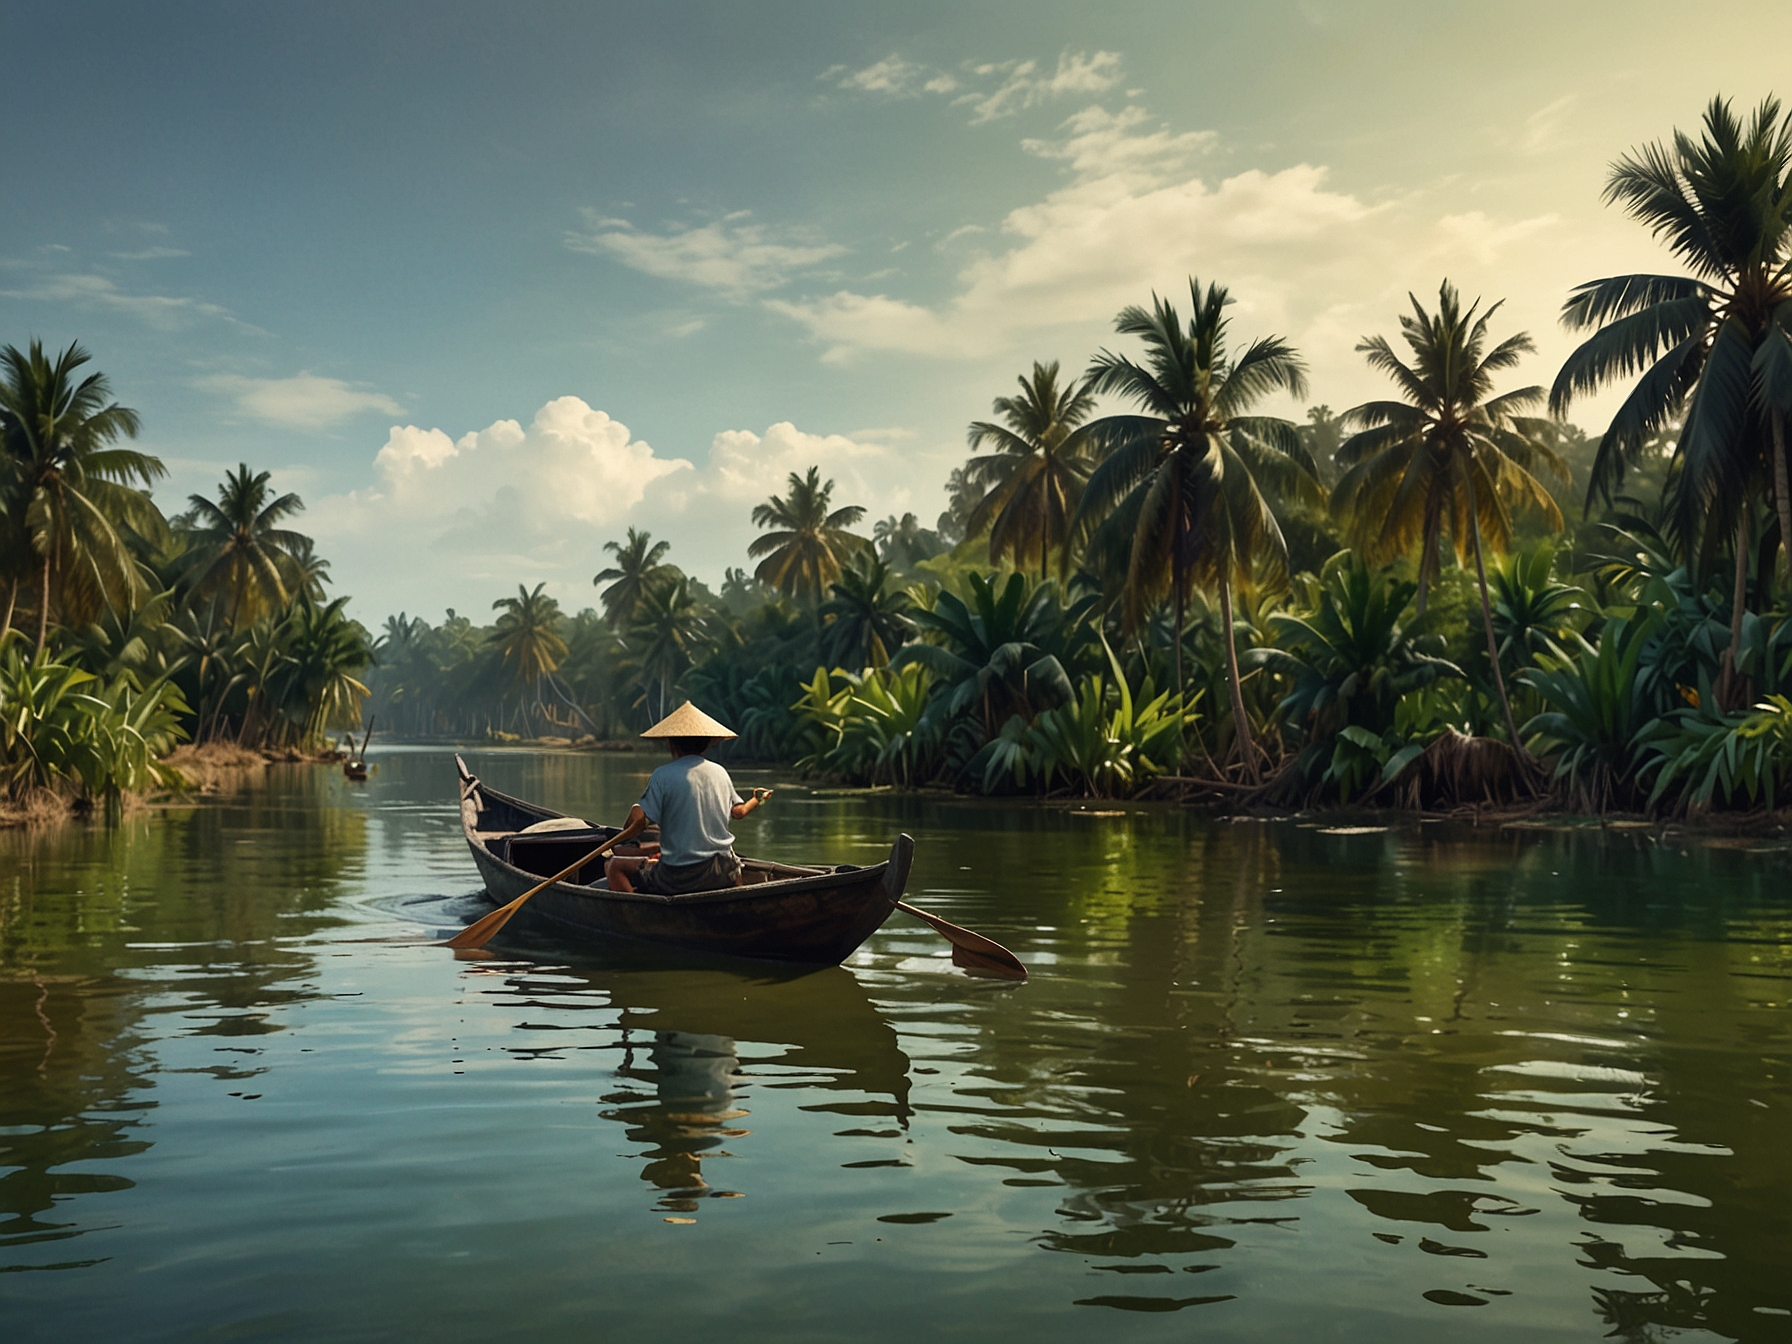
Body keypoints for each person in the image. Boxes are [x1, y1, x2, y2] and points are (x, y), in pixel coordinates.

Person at [605, 702, 772, 896]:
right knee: (733, 867)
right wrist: (757, 799)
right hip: (723, 871)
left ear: (670, 743)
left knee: (614, 866)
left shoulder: (663, 775)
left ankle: (637, 916)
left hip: (677, 877)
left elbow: (637, 821)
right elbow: (738, 812)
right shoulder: (720, 772)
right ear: (708, 743)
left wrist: (634, 814)